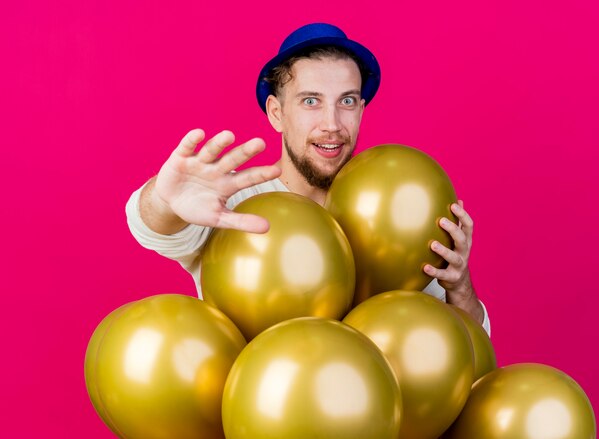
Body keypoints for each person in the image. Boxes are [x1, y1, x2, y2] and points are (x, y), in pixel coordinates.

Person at [126, 23, 491, 334]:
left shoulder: (395, 212)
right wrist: (163, 200)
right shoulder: (232, 203)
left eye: (346, 101)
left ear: (361, 111)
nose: (332, 124)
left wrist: (460, 288)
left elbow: (470, 350)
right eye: (311, 101)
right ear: (276, 114)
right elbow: (151, 228)